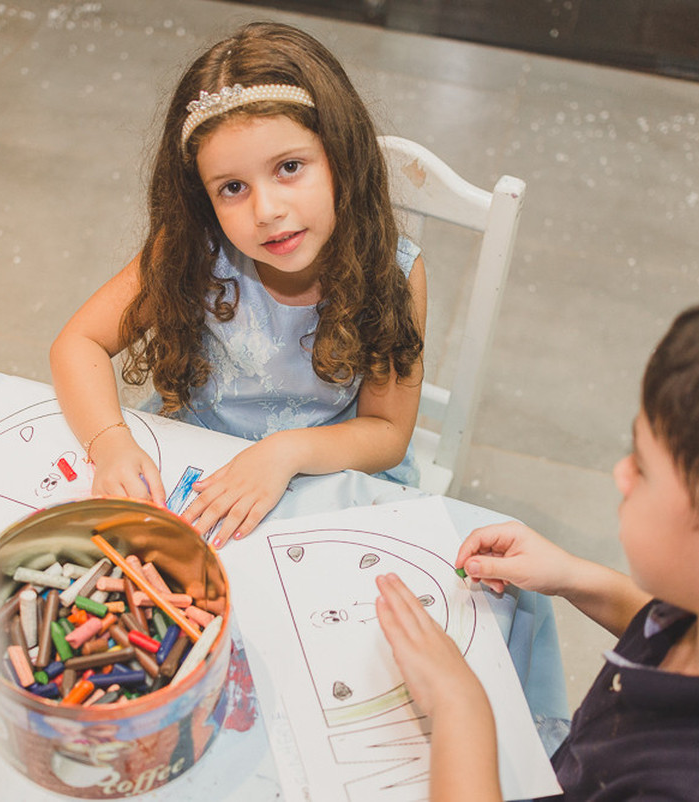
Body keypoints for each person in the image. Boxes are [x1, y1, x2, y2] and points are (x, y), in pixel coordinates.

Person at [375, 293, 699, 800]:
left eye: (644, 469)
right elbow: (680, 626)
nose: (621, 473)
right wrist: (573, 576)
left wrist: (461, 710)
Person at [50, 22, 426, 548]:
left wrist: (285, 452)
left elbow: (387, 433)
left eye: (289, 167)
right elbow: (78, 343)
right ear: (202, 197)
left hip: (324, 472)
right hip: (195, 462)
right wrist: (111, 443)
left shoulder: (392, 270)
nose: (267, 211)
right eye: (232, 187)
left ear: (343, 156)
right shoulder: (194, 248)